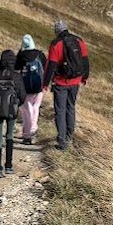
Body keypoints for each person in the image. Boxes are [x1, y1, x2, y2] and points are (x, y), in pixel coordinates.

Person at [44, 20, 90, 151]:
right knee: (71, 107)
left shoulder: (55, 44)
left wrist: (45, 84)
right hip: (76, 81)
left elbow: (51, 65)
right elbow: (85, 60)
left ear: (56, 31)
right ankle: (69, 135)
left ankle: (62, 141)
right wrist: (85, 77)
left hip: (60, 82)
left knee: (60, 110)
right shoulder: (79, 40)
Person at [0, 50, 24, 178]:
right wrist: (17, 104)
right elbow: (22, 95)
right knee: (9, 135)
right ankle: (8, 166)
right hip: (12, 110)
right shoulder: (17, 76)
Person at [14, 33, 48, 145]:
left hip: (25, 88)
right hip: (39, 88)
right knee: (36, 108)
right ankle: (33, 131)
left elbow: (16, 68)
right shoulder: (40, 55)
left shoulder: (21, 56)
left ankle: (27, 134)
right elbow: (46, 67)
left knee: (27, 111)